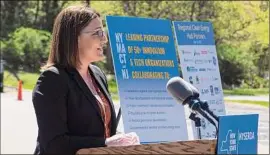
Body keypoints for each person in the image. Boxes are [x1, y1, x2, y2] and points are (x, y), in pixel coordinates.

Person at [32, 5, 139, 155]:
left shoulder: (97, 74)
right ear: (74, 38)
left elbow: (101, 130)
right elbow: (54, 143)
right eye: (98, 33)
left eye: (104, 32)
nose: (105, 39)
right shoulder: (52, 79)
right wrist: (105, 143)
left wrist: (121, 139)